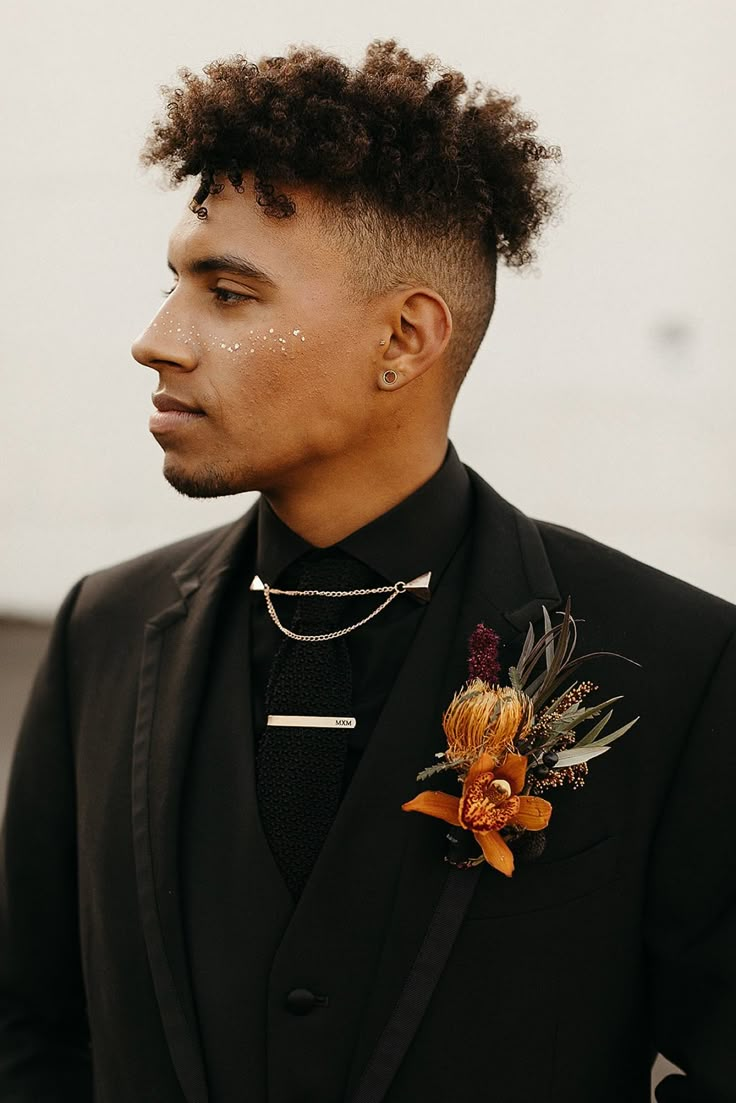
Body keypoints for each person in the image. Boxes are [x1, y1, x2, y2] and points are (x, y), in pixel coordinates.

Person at [0, 39, 734, 1103]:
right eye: (174, 283)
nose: (157, 341)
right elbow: (31, 1028)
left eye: (229, 293)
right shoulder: (100, 630)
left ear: (403, 337)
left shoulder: (674, 661)